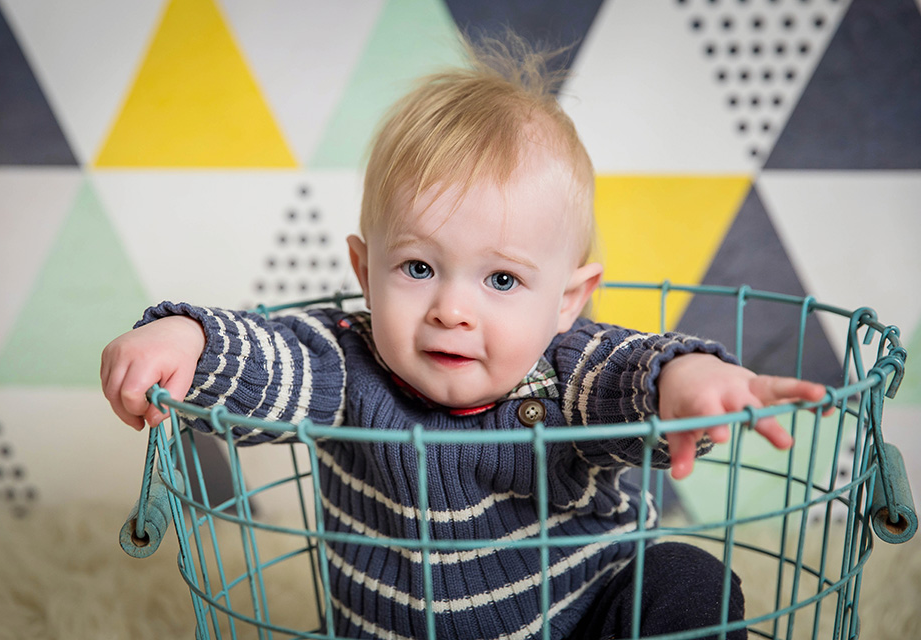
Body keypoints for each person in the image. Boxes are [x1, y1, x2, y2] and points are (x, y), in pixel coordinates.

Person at [101, 33, 827, 640]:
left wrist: (686, 383)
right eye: (418, 267)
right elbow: (272, 358)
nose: (452, 309)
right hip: (383, 627)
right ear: (364, 269)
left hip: (581, 618)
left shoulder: (564, 372)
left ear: (566, 299)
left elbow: (627, 370)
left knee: (686, 581)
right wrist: (188, 338)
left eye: (502, 281)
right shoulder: (347, 362)